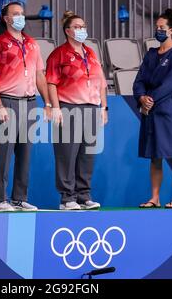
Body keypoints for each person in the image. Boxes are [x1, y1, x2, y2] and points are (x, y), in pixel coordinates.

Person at [0, 2, 51, 212]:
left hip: (30, 103)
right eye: (16, 14)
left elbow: (40, 75)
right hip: (7, 101)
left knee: (25, 153)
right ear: (6, 18)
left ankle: (19, 198)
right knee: (2, 155)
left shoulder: (32, 44)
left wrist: (48, 102)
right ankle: (1, 200)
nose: (20, 17)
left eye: (22, 13)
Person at [46, 11, 108, 210]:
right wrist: (55, 107)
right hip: (68, 107)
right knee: (67, 155)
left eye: (84, 26)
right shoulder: (59, 54)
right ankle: (67, 198)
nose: (82, 30)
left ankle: (83, 195)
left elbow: (101, 83)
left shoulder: (91, 53)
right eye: (77, 27)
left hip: (91, 108)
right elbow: (51, 83)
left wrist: (104, 107)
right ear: (67, 31)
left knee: (87, 154)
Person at [133, 9, 172, 209]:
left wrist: (152, 98)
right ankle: (154, 198)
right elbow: (139, 80)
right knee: (155, 156)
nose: (158, 30)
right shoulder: (150, 54)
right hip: (150, 111)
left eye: (162, 28)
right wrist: (142, 98)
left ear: (171, 30)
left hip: (167, 110)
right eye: (156, 27)